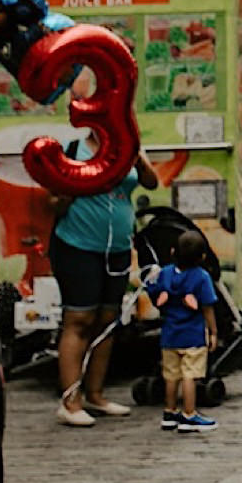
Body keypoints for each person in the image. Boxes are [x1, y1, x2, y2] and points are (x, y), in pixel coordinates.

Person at [49, 69, 160, 427]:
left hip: (115, 247)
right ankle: (70, 400)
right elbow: (52, 202)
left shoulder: (127, 148)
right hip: (77, 245)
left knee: (108, 321)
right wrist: (70, 191)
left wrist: (137, 153)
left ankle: (96, 395)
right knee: (78, 319)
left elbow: (151, 181)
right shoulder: (74, 151)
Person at [145, 229, 219, 434]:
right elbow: (207, 307)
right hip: (193, 335)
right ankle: (189, 414)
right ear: (203, 257)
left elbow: (153, 292)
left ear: (172, 252)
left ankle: (169, 412)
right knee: (190, 375)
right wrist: (213, 331)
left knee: (171, 376)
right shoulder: (201, 277)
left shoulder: (165, 273)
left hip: (169, 335)